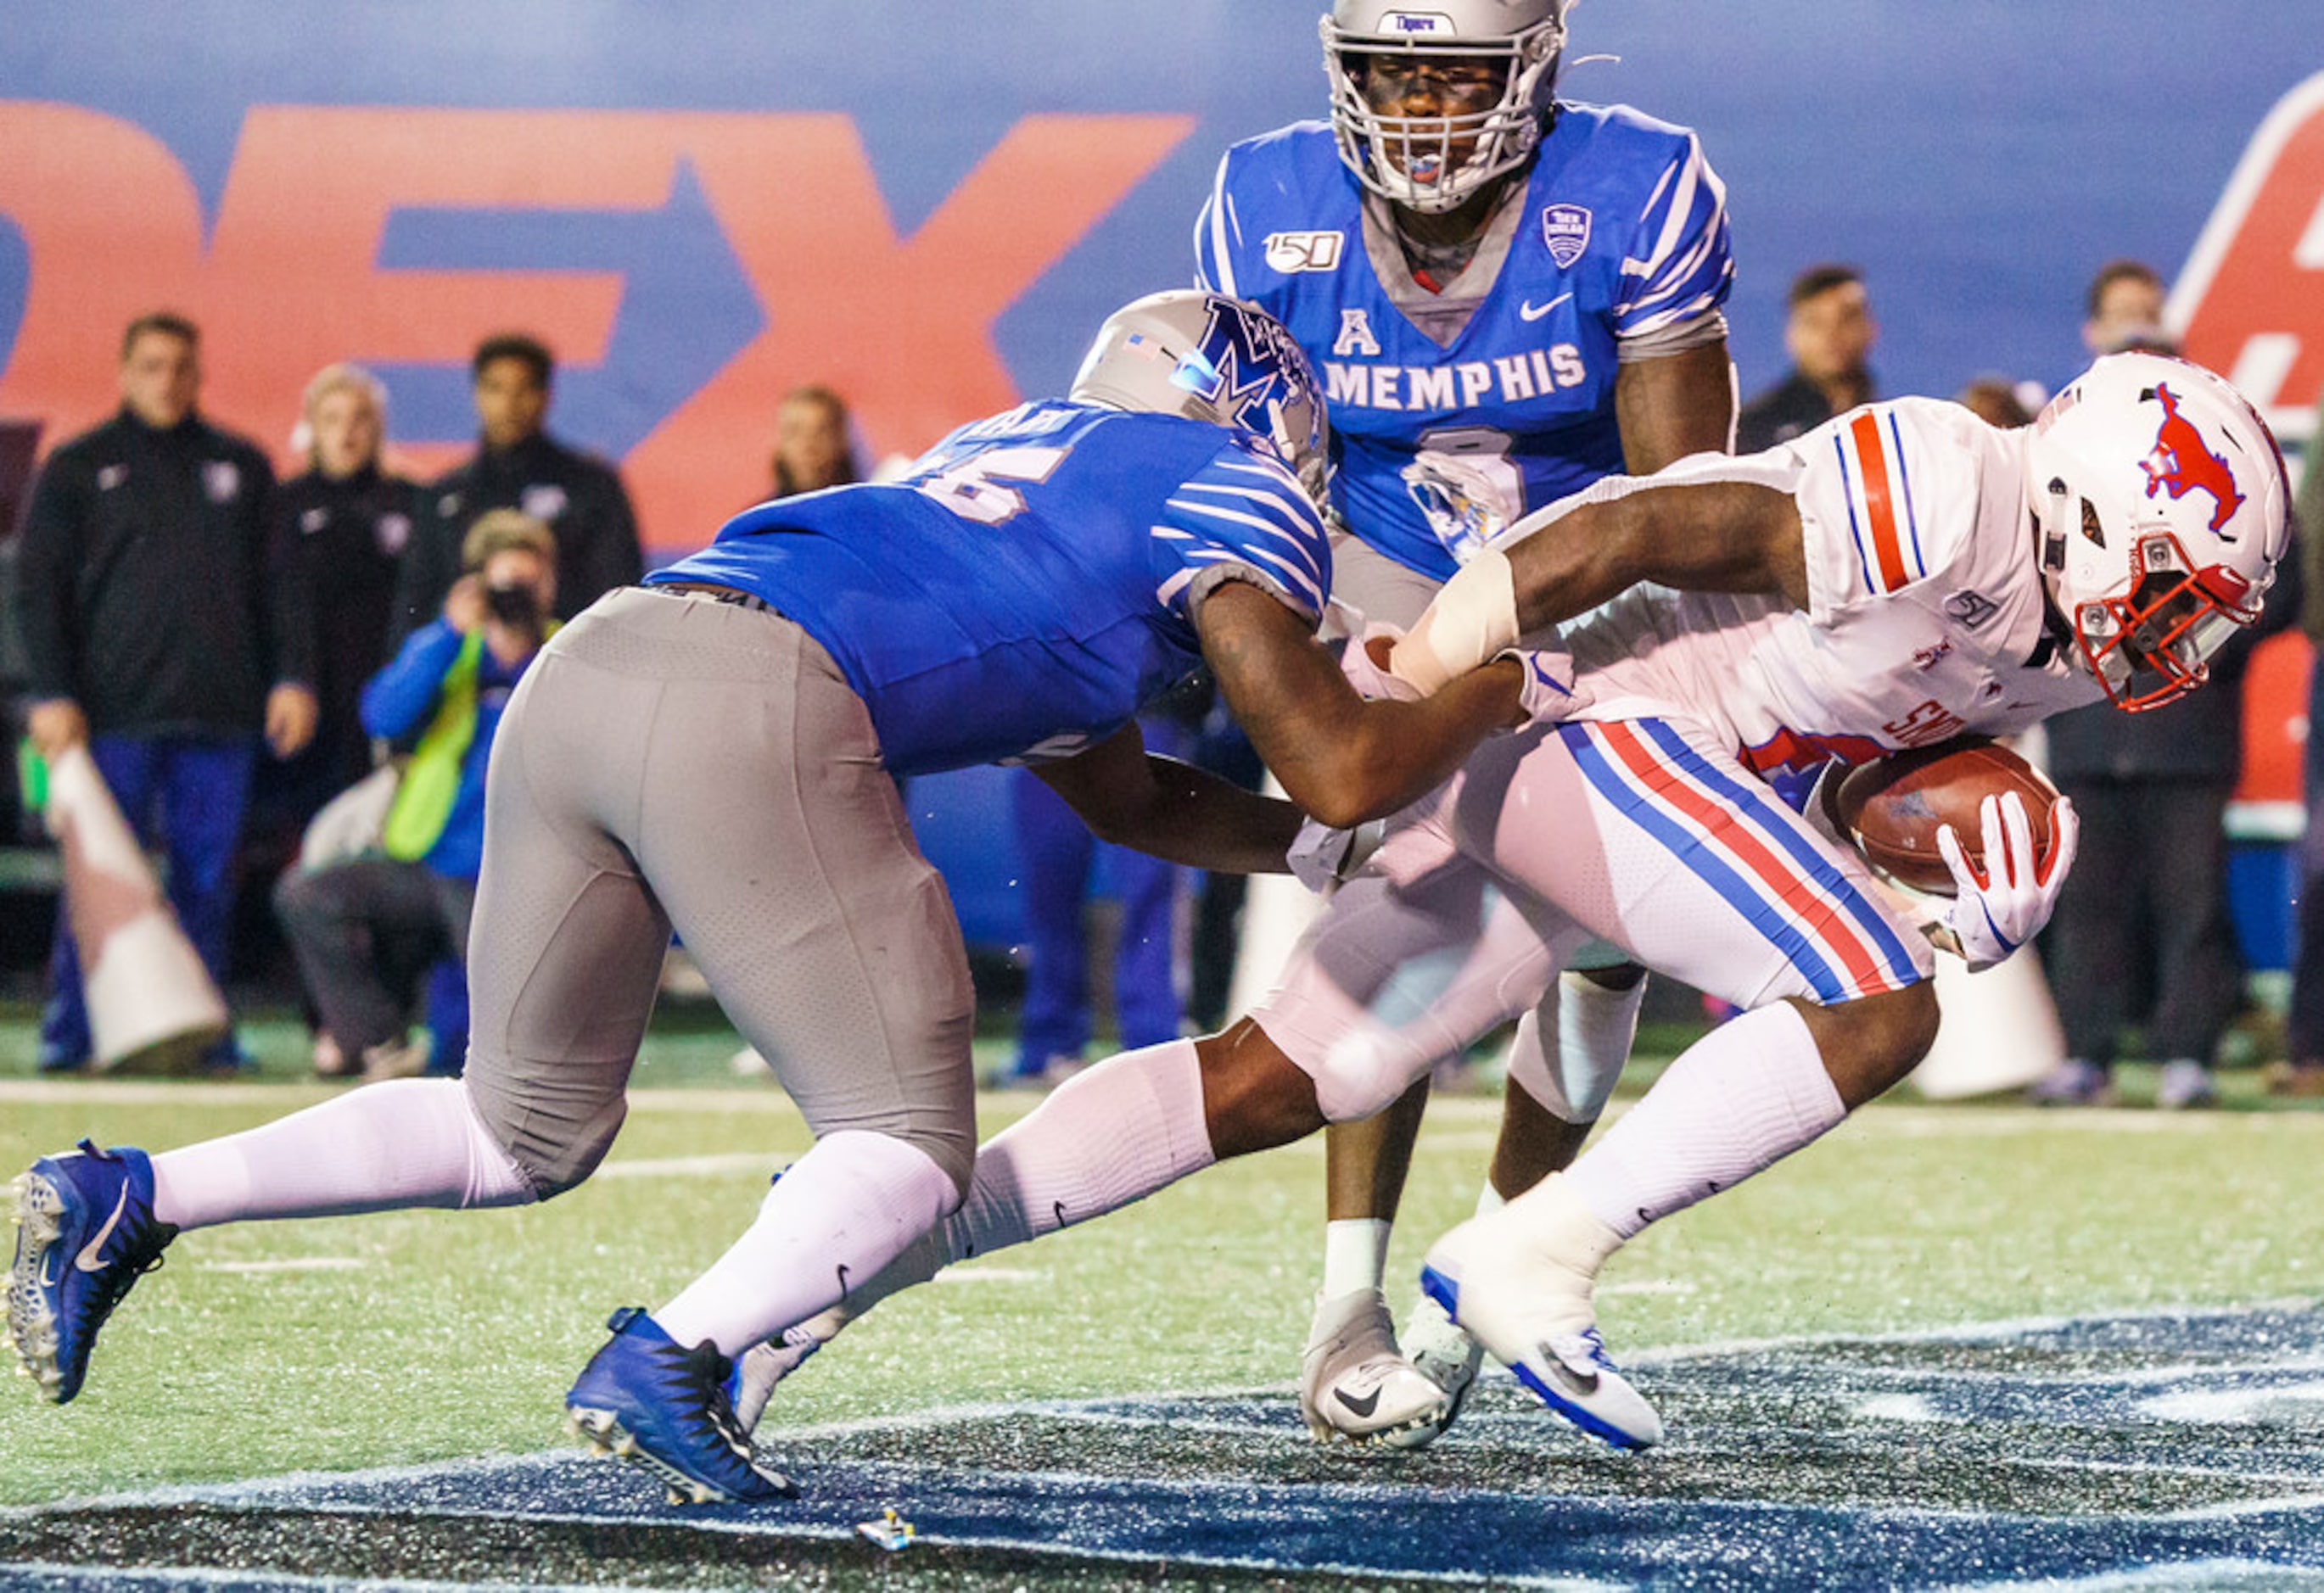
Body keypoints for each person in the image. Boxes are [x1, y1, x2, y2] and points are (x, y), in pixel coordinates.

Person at [5, 292, 1532, 1507]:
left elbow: (1132, 793)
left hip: (594, 667)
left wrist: (1293, 852)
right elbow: (1339, 764)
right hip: (754, 697)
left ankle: (133, 1194)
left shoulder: (1014, 473)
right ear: (1254, 420)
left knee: (515, 1126)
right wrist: (1489, 695)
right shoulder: (1222, 482)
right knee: (909, 1150)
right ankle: (671, 1356)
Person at [725, 351, 2287, 1456]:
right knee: (1873, 998)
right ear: (2085, 496)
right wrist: (1432, 662)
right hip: (1570, 716)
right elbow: (1622, 528)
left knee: (1275, 1076)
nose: (2172, 639)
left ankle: (796, 1292)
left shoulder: (2054, 633)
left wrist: (1954, 893)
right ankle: (1532, 1253)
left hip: (1627, 769)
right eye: (2169, 585)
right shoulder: (1947, 486)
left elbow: (1821, 763)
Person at [1195, 0, 1736, 1443]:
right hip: (1376, 577)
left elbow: (1673, 496)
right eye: (1388, 70)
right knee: (1403, 891)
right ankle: (1345, 1298)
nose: (1420, 104)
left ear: (1529, 68)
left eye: (1453, 70)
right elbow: (1248, 486)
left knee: (1602, 927)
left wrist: (1600, 655)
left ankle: (1495, 1261)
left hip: (1586, 569)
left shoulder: (1629, 188)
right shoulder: (1265, 201)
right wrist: (1322, 670)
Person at [11, 311, 318, 1072]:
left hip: (220, 714)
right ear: (122, 372)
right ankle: (74, 1034)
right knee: (96, 885)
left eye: (181, 366)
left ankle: (202, 1035)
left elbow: (281, 587)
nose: (167, 381)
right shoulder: (80, 466)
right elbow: (34, 589)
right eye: (151, 366)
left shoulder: (240, 467)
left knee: (207, 883)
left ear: (199, 373)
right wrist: (49, 692)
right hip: (106, 717)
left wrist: (293, 679)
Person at [2026, 264, 2296, 1110]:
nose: (2135, 328)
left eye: (2147, 314)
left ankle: (2190, 1055)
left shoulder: (2226, 441)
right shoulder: (2060, 451)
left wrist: (2201, 639)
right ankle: (2087, 1054)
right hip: (2088, 717)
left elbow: (2274, 578)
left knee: (2192, 901)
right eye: (2119, 317)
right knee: (2089, 901)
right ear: (2091, 336)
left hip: (2190, 724)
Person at [274, 511, 557, 1084]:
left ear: (549, 584)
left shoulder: (567, 651)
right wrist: (451, 635)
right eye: (505, 586)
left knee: (469, 1043)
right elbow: (381, 715)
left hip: (510, 870)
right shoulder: (450, 647)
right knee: (305, 895)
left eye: (528, 585)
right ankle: (378, 1038)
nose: (517, 600)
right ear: (477, 584)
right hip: (430, 859)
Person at [390, 333, 641, 645]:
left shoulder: (591, 486)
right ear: (477, 393)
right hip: (462, 681)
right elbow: (414, 605)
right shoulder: (444, 495)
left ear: (546, 395)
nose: (509, 404)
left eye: (524, 388)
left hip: (563, 665)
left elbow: (620, 594)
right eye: (496, 388)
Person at [260, 364, 424, 836]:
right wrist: (291, 677)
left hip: (387, 693)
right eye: (331, 419)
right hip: (309, 699)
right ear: (311, 428)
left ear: (379, 427)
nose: (346, 433)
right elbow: (274, 603)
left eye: (359, 419)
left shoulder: (413, 504)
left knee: (384, 829)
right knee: (308, 832)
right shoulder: (284, 505)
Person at [1736, 264, 1877, 451]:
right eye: (1815, 323)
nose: (1831, 335)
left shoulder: (1890, 422)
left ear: (1870, 328)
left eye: (1847, 318)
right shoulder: (1754, 429)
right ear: (1792, 335)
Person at [768, 384, 858, 499]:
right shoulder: (761, 515)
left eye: (821, 433)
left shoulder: (866, 512)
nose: (807, 446)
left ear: (841, 440)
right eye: (794, 432)